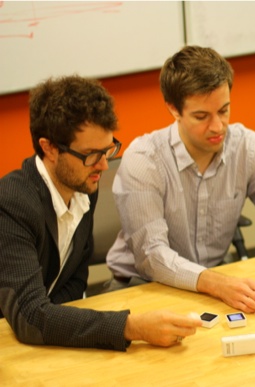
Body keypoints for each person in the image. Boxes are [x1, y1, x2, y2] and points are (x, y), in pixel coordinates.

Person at [105, 46, 255, 312]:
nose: (217, 126)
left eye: (224, 111)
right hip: (140, 285)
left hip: (215, 281)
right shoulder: (144, 160)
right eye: (201, 116)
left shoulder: (246, 146)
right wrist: (216, 283)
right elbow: (151, 257)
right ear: (173, 109)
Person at [0, 75, 202, 351]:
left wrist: (60, 325)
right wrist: (131, 327)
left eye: (108, 150)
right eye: (91, 154)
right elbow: (30, 316)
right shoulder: (11, 204)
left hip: (43, 344)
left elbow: (74, 280)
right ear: (49, 148)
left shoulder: (83, 187)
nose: (104, 166)